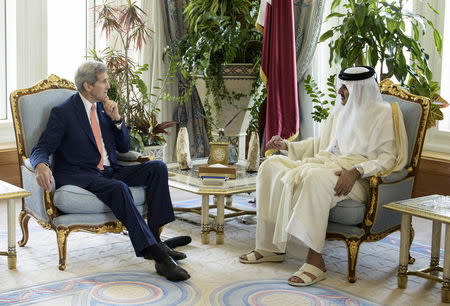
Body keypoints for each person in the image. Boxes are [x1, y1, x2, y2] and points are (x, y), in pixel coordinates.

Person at [239, 66, 408, 286]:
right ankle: (270, 247)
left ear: (361, 89)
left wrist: (357, 170)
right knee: (271, 166)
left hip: (358, 179)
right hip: (328, 164)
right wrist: (287, 146)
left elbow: (389, 158)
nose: (340, 92)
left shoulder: (383, 113)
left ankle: (315, 260)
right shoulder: (340, 111)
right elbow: (322, 145)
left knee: (315, 178)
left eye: (345, 88)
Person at [30, 60, 190, 282]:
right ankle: (159, 257)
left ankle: (155, 237)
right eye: (104, 81)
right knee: (118, 188)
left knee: (157, 167)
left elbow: (124, 147)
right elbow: (41, 148)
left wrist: (117, 120)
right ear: (88, 86)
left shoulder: (104, 109)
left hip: (111, 169)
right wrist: (40, 165)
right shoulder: (64, 112)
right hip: (81, 173)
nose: (108, 86)